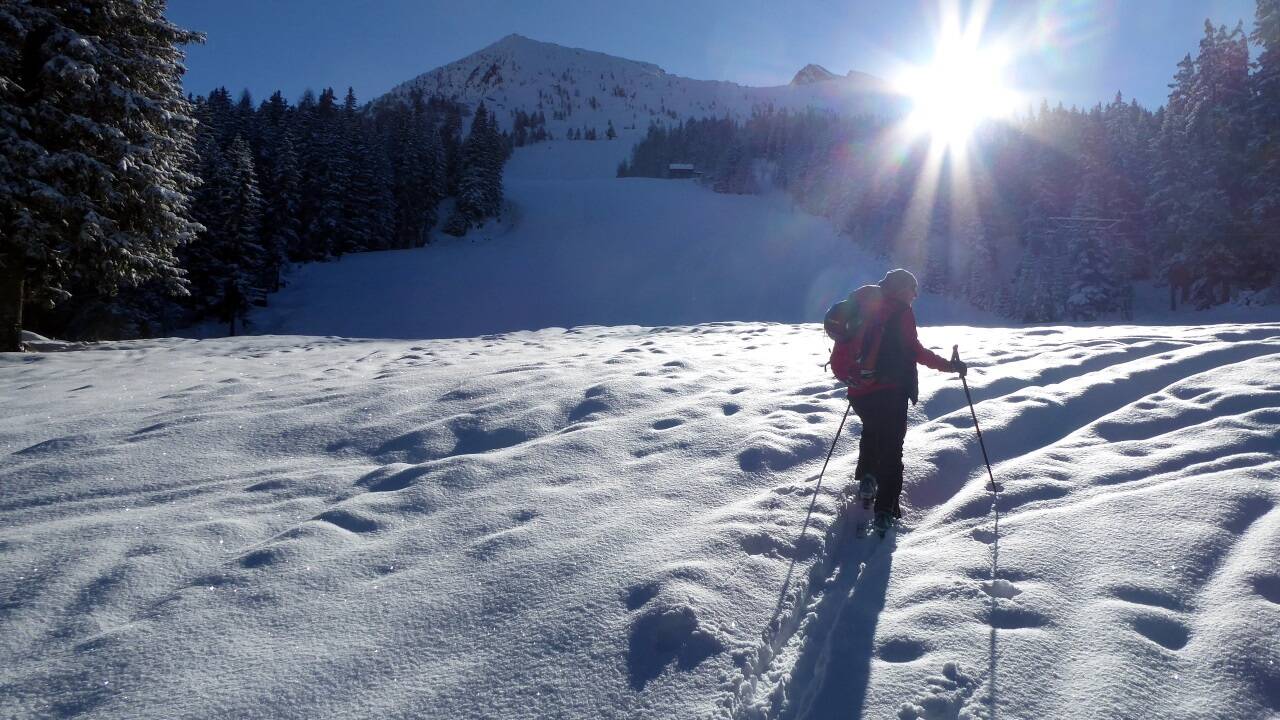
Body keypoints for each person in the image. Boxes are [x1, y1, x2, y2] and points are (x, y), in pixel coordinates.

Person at [847, 268, 966, 534]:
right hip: (891, 391)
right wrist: (949, 367)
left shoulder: (868, 307)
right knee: (892, 449)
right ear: (902, 290)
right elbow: (916, 351)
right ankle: (885, 510)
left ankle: (867, 481)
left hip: (860, 391)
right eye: (913, 291)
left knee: (871, 431)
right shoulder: (900, 312)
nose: (914, 297)